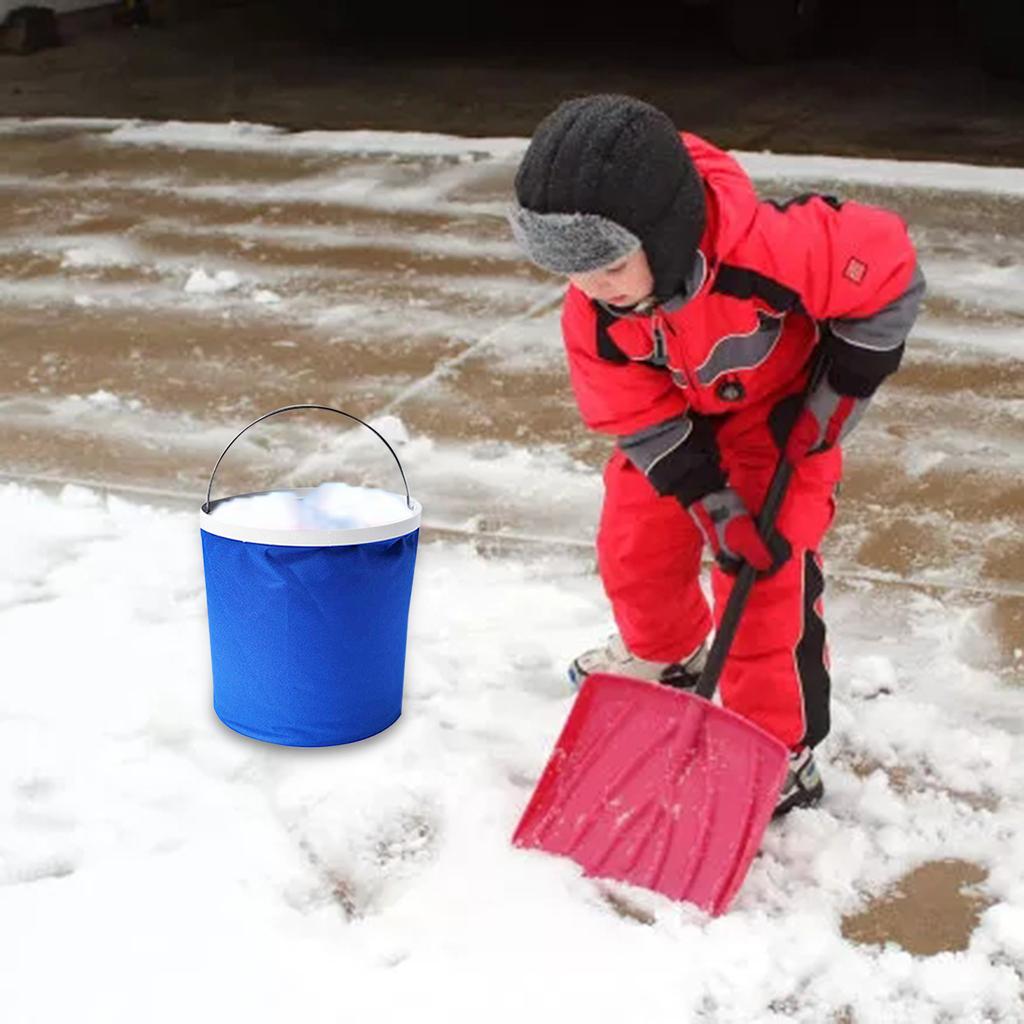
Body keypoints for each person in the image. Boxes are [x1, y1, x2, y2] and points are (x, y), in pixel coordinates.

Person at [507, 94, 925, 816]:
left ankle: (778, 747)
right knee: (634, 547)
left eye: (606, 268)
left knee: (766, 581)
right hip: (678, 429)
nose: (590, 292)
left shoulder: (774, 248)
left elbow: (887, 272)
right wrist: (704, 495)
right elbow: (628, 406)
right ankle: (669, 653)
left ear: (663, 233)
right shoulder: (594, 312)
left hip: (779, 428)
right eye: (570, 273)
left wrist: (835, 397)